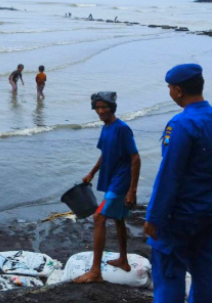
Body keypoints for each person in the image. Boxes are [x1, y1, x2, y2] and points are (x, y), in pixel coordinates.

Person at [144, 64, 212, 303]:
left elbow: (169, 174)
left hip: (180, 215)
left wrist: (154, 217)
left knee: (168, 272)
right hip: (211, 210)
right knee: (205, 270)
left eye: (169, 88)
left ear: (177, 90)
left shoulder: (181, 124)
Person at [73, 92, 141, 283]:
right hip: (111, 179)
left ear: (112, 107)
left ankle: (95, 272)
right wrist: (92, 173)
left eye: (105, 107)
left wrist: (132, 190)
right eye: (98, 107)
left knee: (99, 217)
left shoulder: (122, 129)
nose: (101, 111)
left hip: (121, 182)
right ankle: (124, 260)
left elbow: (135, 158)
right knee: (119, 219)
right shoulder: (106, 128)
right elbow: (104, 155)